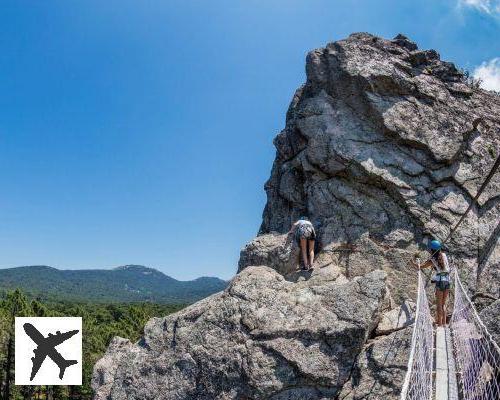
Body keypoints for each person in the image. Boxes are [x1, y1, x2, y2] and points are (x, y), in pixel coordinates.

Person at [417, 239, 450, 326]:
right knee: (443, 303)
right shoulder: (444, 255)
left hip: (439, 281)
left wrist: (414, 264)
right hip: (447, 280)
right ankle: (443, 323)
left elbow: (422, 266)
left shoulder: (432, 259)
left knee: (439, 304)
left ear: (432, 250)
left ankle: (439, 324)